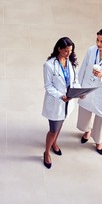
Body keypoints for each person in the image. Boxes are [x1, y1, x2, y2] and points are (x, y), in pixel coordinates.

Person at [41, 37, 80, 169]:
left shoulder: (70, 62)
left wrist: (79, 91)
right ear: (59, 49)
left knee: (60, 124)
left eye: (70, 51)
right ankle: (46, 152)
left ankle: (54, 143)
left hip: (68, 102)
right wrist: (61, 96)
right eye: (66, 51)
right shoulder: (49, 65)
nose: (69, 54)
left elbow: (75, 80)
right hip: (57, 103)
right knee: (53, 130)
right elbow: (48, 86)